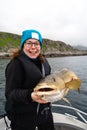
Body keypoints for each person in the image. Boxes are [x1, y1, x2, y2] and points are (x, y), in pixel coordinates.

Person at [5, 29, 55, 130]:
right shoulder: (15, 64)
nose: (33, 47)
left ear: (40, 46)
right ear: (23, 45)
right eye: (29, 43)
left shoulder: (44, 62)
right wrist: (30, 95)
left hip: (44, 113)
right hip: (22, 118)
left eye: (37, 43)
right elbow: (10, 94)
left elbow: (49, 82)